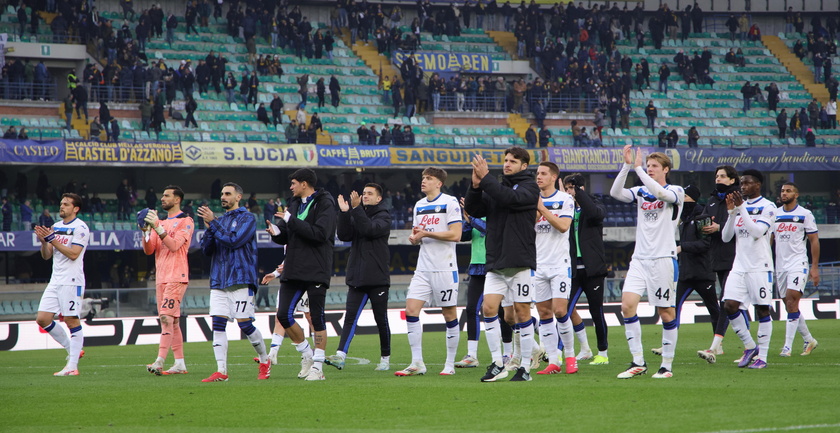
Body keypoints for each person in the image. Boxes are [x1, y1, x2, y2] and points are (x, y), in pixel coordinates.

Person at [465, 147, 540, 382]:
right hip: (496, 261)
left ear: (524, 166)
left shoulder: (529, 187)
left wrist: (486, 180)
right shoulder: (496, 186)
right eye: (505, 160)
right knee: (488, 309)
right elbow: (474, 209)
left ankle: (525, 368)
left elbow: (510, 199)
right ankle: (498, 363)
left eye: (513, 161)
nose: (507, 164)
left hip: (519, 261)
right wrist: (476, 186)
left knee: (521, 313)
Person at [610, 146, 684, 379]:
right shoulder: (641, 191)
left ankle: (666, 366)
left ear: (666, 170)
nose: (650, 170)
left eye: (654, 167)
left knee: (666, 312)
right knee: (627, 305)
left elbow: (661, 194)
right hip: (639, 259)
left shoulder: (676, 191)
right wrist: (626, 165)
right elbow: (616, 193)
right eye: (648, 166)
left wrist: (639, 169)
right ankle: (638, 362)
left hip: (663, 258)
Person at [269, 168, 337, 381]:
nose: (291, 187)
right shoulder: (295, 204)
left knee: (316, 318)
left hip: (316, 267)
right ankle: (307, 354)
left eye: (294, 183)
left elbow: (320, 234)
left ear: (305, 184)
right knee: (283, 315)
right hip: (294, 267)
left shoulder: (325, 203)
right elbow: (287, 234)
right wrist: (276, 233)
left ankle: (318, 367)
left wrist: (290, 220)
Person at [197, 183, 269, 382]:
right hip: (219, 279)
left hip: (241, 278)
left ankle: (265, 360)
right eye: (221, 194)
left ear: (238, 197)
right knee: (218, 325)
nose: (223, 197)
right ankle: (221, 371)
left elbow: (234, 241)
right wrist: (210, 228)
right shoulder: (218, 221)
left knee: (245, 324)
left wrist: (214, 223)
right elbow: (206, 250)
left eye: (227, 194)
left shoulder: (248, 218)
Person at [395, 167, 463, 377]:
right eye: (423, 178)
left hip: (445, 267)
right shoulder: (419, 205)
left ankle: (449, 364)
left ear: (439, 183)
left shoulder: (449, 202)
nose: (424, 181)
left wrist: (427, 233)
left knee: (449, 314)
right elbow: (421, 234)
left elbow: (456, 234)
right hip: (423, 267)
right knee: (411, 310)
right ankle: (417, 363)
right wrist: (416, 238)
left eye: (429, 178)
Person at [325, 184, 392, 371]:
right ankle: (340, 355)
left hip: (377, 278)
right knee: (350, 318)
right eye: (364, 194)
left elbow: (370, 230)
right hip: (357, 277)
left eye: (370, 194)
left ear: (379, 199)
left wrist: (355, 210)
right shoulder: (357, 213)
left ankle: (385, 358)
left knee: (381, 320)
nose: (365, 196)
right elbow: (344, 234)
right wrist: (345, 213)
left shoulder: (384, 216)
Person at [652, 184, 720, 356]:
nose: (681, 200)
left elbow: (705, 244)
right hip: (686, 272)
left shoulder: (703, 217)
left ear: (692, 198)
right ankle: (668, 345)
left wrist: (682, 247)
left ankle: (718, 344)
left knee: (714, 310)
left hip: (703, 272)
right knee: (674, 307)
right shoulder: (684, 217)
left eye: (685, 197)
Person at [718, 169, 776, 369]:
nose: (742, 187)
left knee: (761, 309)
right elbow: (725, 237)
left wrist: (741, 209)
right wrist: (731, 213)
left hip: (759, 266)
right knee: (729, 306)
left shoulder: (767, 206)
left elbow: (757, 232)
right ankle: (750, 346)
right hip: (739, 266)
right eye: (741, 183)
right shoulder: (739, 206)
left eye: (747, 183)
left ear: (757, 185)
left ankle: (763, 357)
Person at [34, 193, 90, 376]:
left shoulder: (80, 227)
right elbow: (46, 255)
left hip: (71, 280)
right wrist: (44, 242)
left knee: (71, 319)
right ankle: (72, 349)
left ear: (75, 209)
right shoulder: (56, 227)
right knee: (42, 319)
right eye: (61, 203)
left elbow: (74, 254)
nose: (62, 207)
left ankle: (72, 367)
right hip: (55, 279)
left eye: (66, 204)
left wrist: (53, 240)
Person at [141, 186, 194, 376]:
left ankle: (159, 361)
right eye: (162, 195)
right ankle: (179, 363)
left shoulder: (185, 221)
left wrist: (157, 226)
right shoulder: (159, 222)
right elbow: (149, 250)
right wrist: (146, 231)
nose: (162, 198)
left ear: (177, 199)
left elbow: (174, 246)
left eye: (167, 195)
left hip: (176, 275)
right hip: (161, 277)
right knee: (173, 322)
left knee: (165, 317)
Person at [531, 162, 577, 375]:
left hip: (559, 264)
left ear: (553, 177)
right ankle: (553, 361)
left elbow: (563, 226)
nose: (538, 177)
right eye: (537, 173)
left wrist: (542, 208)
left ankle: (570, 356)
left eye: (543, 174)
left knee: (560, 311)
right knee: (544, 313)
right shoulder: (532, 200)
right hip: (538, 265)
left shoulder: (565, 199)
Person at [563, 173, 610, 365]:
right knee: (565, 310)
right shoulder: (567, 208)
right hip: (573, 269)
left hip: (593, 270)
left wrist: (579, 195)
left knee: (596, 312)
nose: (567, 193)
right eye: (565, 189)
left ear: (580, 189)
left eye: (570, 189)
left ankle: (603, 354)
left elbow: (594, 214)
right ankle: (582, 349)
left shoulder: (595, 203)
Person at [697, 166, 740, 362]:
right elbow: (705, 221)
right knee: (730, 303)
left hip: (737, 257)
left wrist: (719, 227)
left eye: (723, 176)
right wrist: (703, 226)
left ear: (732, 180)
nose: (718, 179)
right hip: (718, 257)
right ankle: (749, 346)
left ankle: (715, 347)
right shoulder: (713, 200)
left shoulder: (739, 199)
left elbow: (743, 226)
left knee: (727, 301)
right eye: (716, 176)